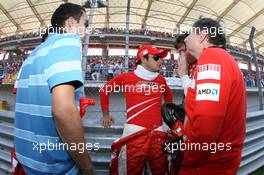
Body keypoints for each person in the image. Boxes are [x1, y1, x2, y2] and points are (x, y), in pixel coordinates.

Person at [14, 3, 94, 175]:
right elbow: (63, 112)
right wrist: (87, 167)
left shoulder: (34, 53)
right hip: (53, 167)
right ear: (71, 23)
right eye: (85, 24)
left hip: (27, 160)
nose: (86, 31)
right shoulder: (68, 40)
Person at [177, 18, 246, 175]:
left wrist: (189, 157)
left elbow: (207, 119)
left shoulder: (212, 57)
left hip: (205, 165)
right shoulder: (220, 58)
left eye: (190, 34)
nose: (186, 39)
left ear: (201, 36)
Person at [99, 45, 173, 175]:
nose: (161, 61)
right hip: (134, 137)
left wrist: (167, 114)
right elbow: (104, 90)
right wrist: (106, 114)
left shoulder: (161, 80)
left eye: (161, 58)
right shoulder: (127, 77)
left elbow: (168, 95)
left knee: (160, 170)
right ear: (143, 59)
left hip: (158, 135)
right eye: (156, 57)